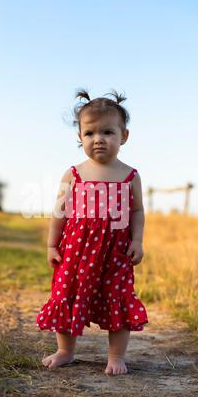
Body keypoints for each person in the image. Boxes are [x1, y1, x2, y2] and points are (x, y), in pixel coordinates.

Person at [36, 88, 148, 375]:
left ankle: (116, 356)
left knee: (118, 296)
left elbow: (136, 212)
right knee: (67, 293)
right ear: (79, 137)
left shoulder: (130, 175)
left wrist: (137, 240)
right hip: (76, 249)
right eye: (90, 133)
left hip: (116, 251)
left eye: (108, 132)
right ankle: (65, 350)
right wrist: (52, 245)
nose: (98, 139)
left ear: (124, 136)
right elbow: (59, 212)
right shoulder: (73, 174)